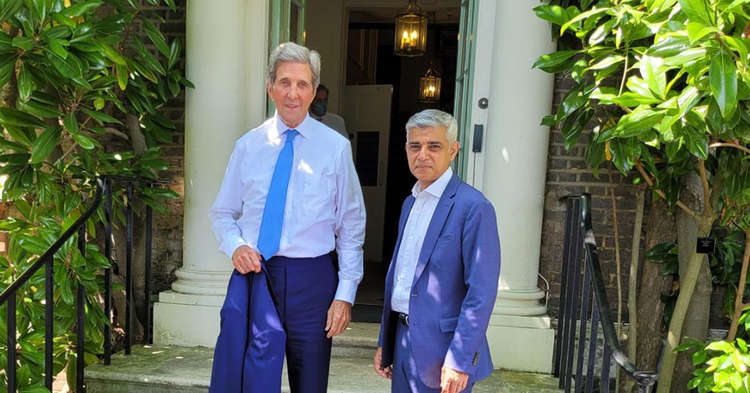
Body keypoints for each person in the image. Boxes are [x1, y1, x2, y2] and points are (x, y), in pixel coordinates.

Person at [208, 42, 366, 393]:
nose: (293, 93)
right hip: (255, 275)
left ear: (314, 91)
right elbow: (222, 213)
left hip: (312, 281)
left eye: (302, 84)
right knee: (247, 380)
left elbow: (351, 227)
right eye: (284, 82)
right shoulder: (248, 146)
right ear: (270, 87)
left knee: (309, 383)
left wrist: (345, 294)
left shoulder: (335, 148)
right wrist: (235, 246)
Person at [373, 110, 501, 393]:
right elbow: (401, 278)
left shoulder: (473, 207)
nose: (422, 155)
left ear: (453, 151)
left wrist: (460, 360)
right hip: (403, 344)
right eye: (415, 146)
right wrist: (387, 341)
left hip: (443, 353)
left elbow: (480, 293)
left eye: (434, 146)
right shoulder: (410, 203)